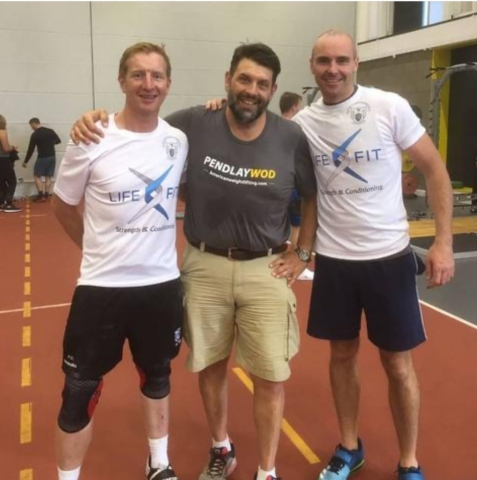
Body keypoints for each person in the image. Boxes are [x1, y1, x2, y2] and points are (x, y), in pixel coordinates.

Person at [71, 42, 318, 480]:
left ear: (273, 89)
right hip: (204, 265)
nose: (251, 90)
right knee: (210, 365)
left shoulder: (290, 137)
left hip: (267, 267)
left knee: (271, 377)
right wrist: (95, 119)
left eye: (262, 84)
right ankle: (221, 447)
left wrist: (301, 253)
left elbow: (313, 196)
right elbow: (140, 127)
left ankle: (267, 470)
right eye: (243, 79)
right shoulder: (193, 124)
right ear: (227, 81)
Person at [292, 30, 454, 480]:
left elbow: (435, 170)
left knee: (398, 364)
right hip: (335, 262)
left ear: (356, 62)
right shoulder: (303, 124)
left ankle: (409, 461)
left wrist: (443, 242)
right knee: (341, 356)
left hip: (388, 259)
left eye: (342, 60)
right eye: (324, 61)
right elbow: (251, 132)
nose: (333, 69)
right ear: (312, 65)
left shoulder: (389, 106)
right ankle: (349, 446)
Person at [52, 42, 188, 480]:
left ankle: (159, 464)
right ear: (121, 81)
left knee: (158, 377)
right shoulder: (91, 137)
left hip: (161, 286)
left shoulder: (177, 140)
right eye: (138, 75)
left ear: (168, 83)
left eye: (157, 76)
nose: (148, 84)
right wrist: (95, 249)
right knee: (79, 394)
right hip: (101, 289)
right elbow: (63, 205)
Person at [279, 92, 314, 281]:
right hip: (293, 184)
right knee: (297, 226)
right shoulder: (296, 128)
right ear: (293, 107)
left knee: (286, 226)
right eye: (298, 107)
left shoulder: (275, 127)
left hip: (281, 184)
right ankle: (295, 259)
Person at [22, 117, 61, 201]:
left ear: (34, 124)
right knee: (48, 176)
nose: (31, 128)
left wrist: (25, 161)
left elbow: (31, 149)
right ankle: (46, 195)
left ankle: (40, 195)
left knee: (36, 175)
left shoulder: (35, 134)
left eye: (31, 126)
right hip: (52, 156)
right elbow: (58, 141)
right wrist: (50, 143)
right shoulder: (50, 131)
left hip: (42, 157)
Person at [0, 114, 21, 212]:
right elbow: (5, 148)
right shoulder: (2, 132)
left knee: (1, 182)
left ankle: (1, 203)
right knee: (12, 181)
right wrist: (13, 148)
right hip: (3, 160)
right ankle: (8, 203)